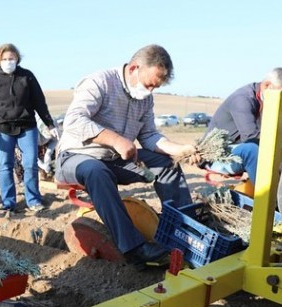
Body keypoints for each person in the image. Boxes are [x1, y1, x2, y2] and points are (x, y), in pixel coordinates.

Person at [55, 44, 201, 269]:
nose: (150, 91)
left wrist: (178, 149)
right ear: (134, 68)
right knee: (96, 170)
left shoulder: (145, 99)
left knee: (167, 163)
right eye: (149, 84)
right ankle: (135, 249)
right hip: (76, 156)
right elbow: (74, 120)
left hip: (114, 158)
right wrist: (116, 140)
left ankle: (184, 231)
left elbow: (150, 136)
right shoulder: (99, 82)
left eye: (156, 87)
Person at [0, 43, 58, 212]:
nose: (8, 62)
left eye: (11, 59)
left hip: (27, 127)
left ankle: (33, 200)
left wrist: (50, 124)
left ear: (17, 59)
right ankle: (9, 203)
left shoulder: (27, 77)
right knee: (5, 165)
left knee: (30, 164)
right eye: (5, 59)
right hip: (2, 129)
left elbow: (39, 102)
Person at [204, 67, 282, 184]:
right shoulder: (242, 100)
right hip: (219, 156)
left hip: (237, 148)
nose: (280, 101)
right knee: (252, 150)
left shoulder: (266, 100)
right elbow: (250, 136)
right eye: (280, 95)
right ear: (268, 85)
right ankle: (266, 197)